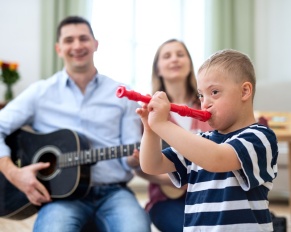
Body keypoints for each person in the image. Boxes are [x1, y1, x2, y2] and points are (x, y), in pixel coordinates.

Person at [0, 16, 151, 232]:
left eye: (83, 38)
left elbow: (130, 159)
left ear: (95, 44)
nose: (77, 46)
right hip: (61, 198)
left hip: (113, 193)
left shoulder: (122, 94)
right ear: (59, 48)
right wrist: (13, 172)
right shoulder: (40, 93)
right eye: (69, 40)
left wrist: (136, 159)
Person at [136, 49, 278, 231]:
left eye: (215, 92)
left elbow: (216, 159)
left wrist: (163, 125)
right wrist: (150, 129)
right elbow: (152, 165)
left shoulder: (260, 137)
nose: (205, 103)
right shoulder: (200, 140)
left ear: (245, 91)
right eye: (201, 95)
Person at [134, 39, 212, 232]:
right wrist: (165, 179)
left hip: (212, 194)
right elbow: (143, 167)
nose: (174, 59)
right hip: (167, 200)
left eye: (180, 54)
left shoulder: (209, 105)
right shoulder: (149, 111)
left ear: (189, 63)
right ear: (158, 69)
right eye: (167, 56)